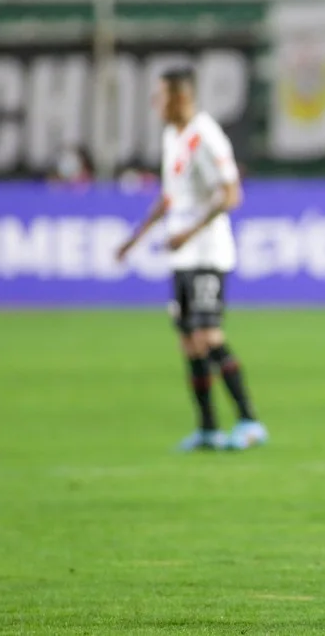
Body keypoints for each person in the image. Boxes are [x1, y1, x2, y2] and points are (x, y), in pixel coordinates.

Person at [116, 67, 268, 451]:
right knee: (189, 341)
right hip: (182, 258)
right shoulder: (172, 136)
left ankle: (250, 422)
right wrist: (136, 238)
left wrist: (189, 232)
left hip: (207, 253)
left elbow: (232, 195)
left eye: (160, 96)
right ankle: (208, 429)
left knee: (208, 335)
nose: (155, 104)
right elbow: (171, 196)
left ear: (180, 98)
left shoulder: (207, 135)